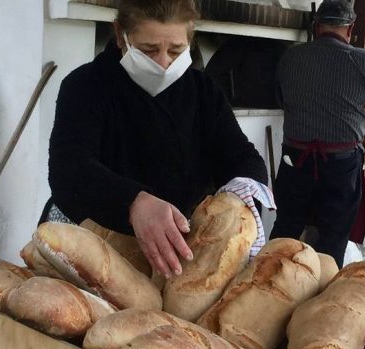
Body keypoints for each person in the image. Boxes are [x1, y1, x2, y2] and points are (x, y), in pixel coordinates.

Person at [40, 0, 268, 280]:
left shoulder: (204, 93)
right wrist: (133, 202)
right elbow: (69, 169)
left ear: (191, 38)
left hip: (173, 257)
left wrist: (238, 197)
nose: (163, 63)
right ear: (120, 34)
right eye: (149, 50)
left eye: (176, 50)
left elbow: (243, 158)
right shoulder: (85, 86)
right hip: (90, 247)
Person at [270, 0, 365, 267]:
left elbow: (279, 98)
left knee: (286, 228)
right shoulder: (362, 60)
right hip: (340, 165)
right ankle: (320, 292)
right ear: (351, 28)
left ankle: (266, 279)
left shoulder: (291, 56)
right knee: (332, 236)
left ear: (317, 26)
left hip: (295, 160)